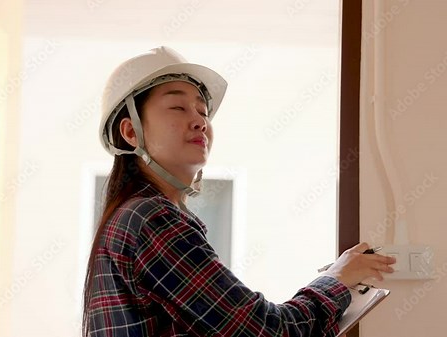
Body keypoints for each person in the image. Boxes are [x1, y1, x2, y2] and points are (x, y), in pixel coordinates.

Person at [82, 46, 396, 337]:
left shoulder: (138, 216)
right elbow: (268, 331)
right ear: (129, 132)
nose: (199, 122)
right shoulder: (152, 220)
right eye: (178, 107)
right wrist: (337, 280)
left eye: (202, 111)